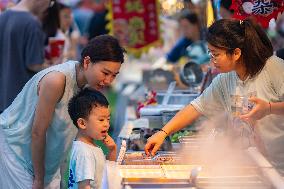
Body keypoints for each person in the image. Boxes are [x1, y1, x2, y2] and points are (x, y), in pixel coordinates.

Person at [145, 18, 284, 176]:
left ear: (236, 53)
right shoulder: (225, 79)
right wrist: (163, 133)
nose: (212, 61)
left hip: (278, 171)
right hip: (246, 169)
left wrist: (269, 108)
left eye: (216, 54)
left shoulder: (274, 68)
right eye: (210, 54)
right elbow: (197, 106)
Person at [0, 34, 126, 188]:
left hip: (44, 161)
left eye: (114, 75)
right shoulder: (56, 80)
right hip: (16, 152)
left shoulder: (87, 85)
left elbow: (65, 132)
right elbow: (38, 131)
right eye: (105, 73)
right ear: (87, 62)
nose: (108, 81)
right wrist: (39, 179)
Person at [0, 0, 52, 112]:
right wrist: (54, 67)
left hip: (3, 96)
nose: (48, 7)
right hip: (21, 99)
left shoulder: (3, 17)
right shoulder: (32, 23)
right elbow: (34, 64)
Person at [67, 88, 116, 189]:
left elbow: (107, 170)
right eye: (101, 120)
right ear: (82, 123)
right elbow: (84, 186)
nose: (106, 124)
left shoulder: (90, 147)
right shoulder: (84, 153)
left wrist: (112, 150)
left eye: (108, 119)